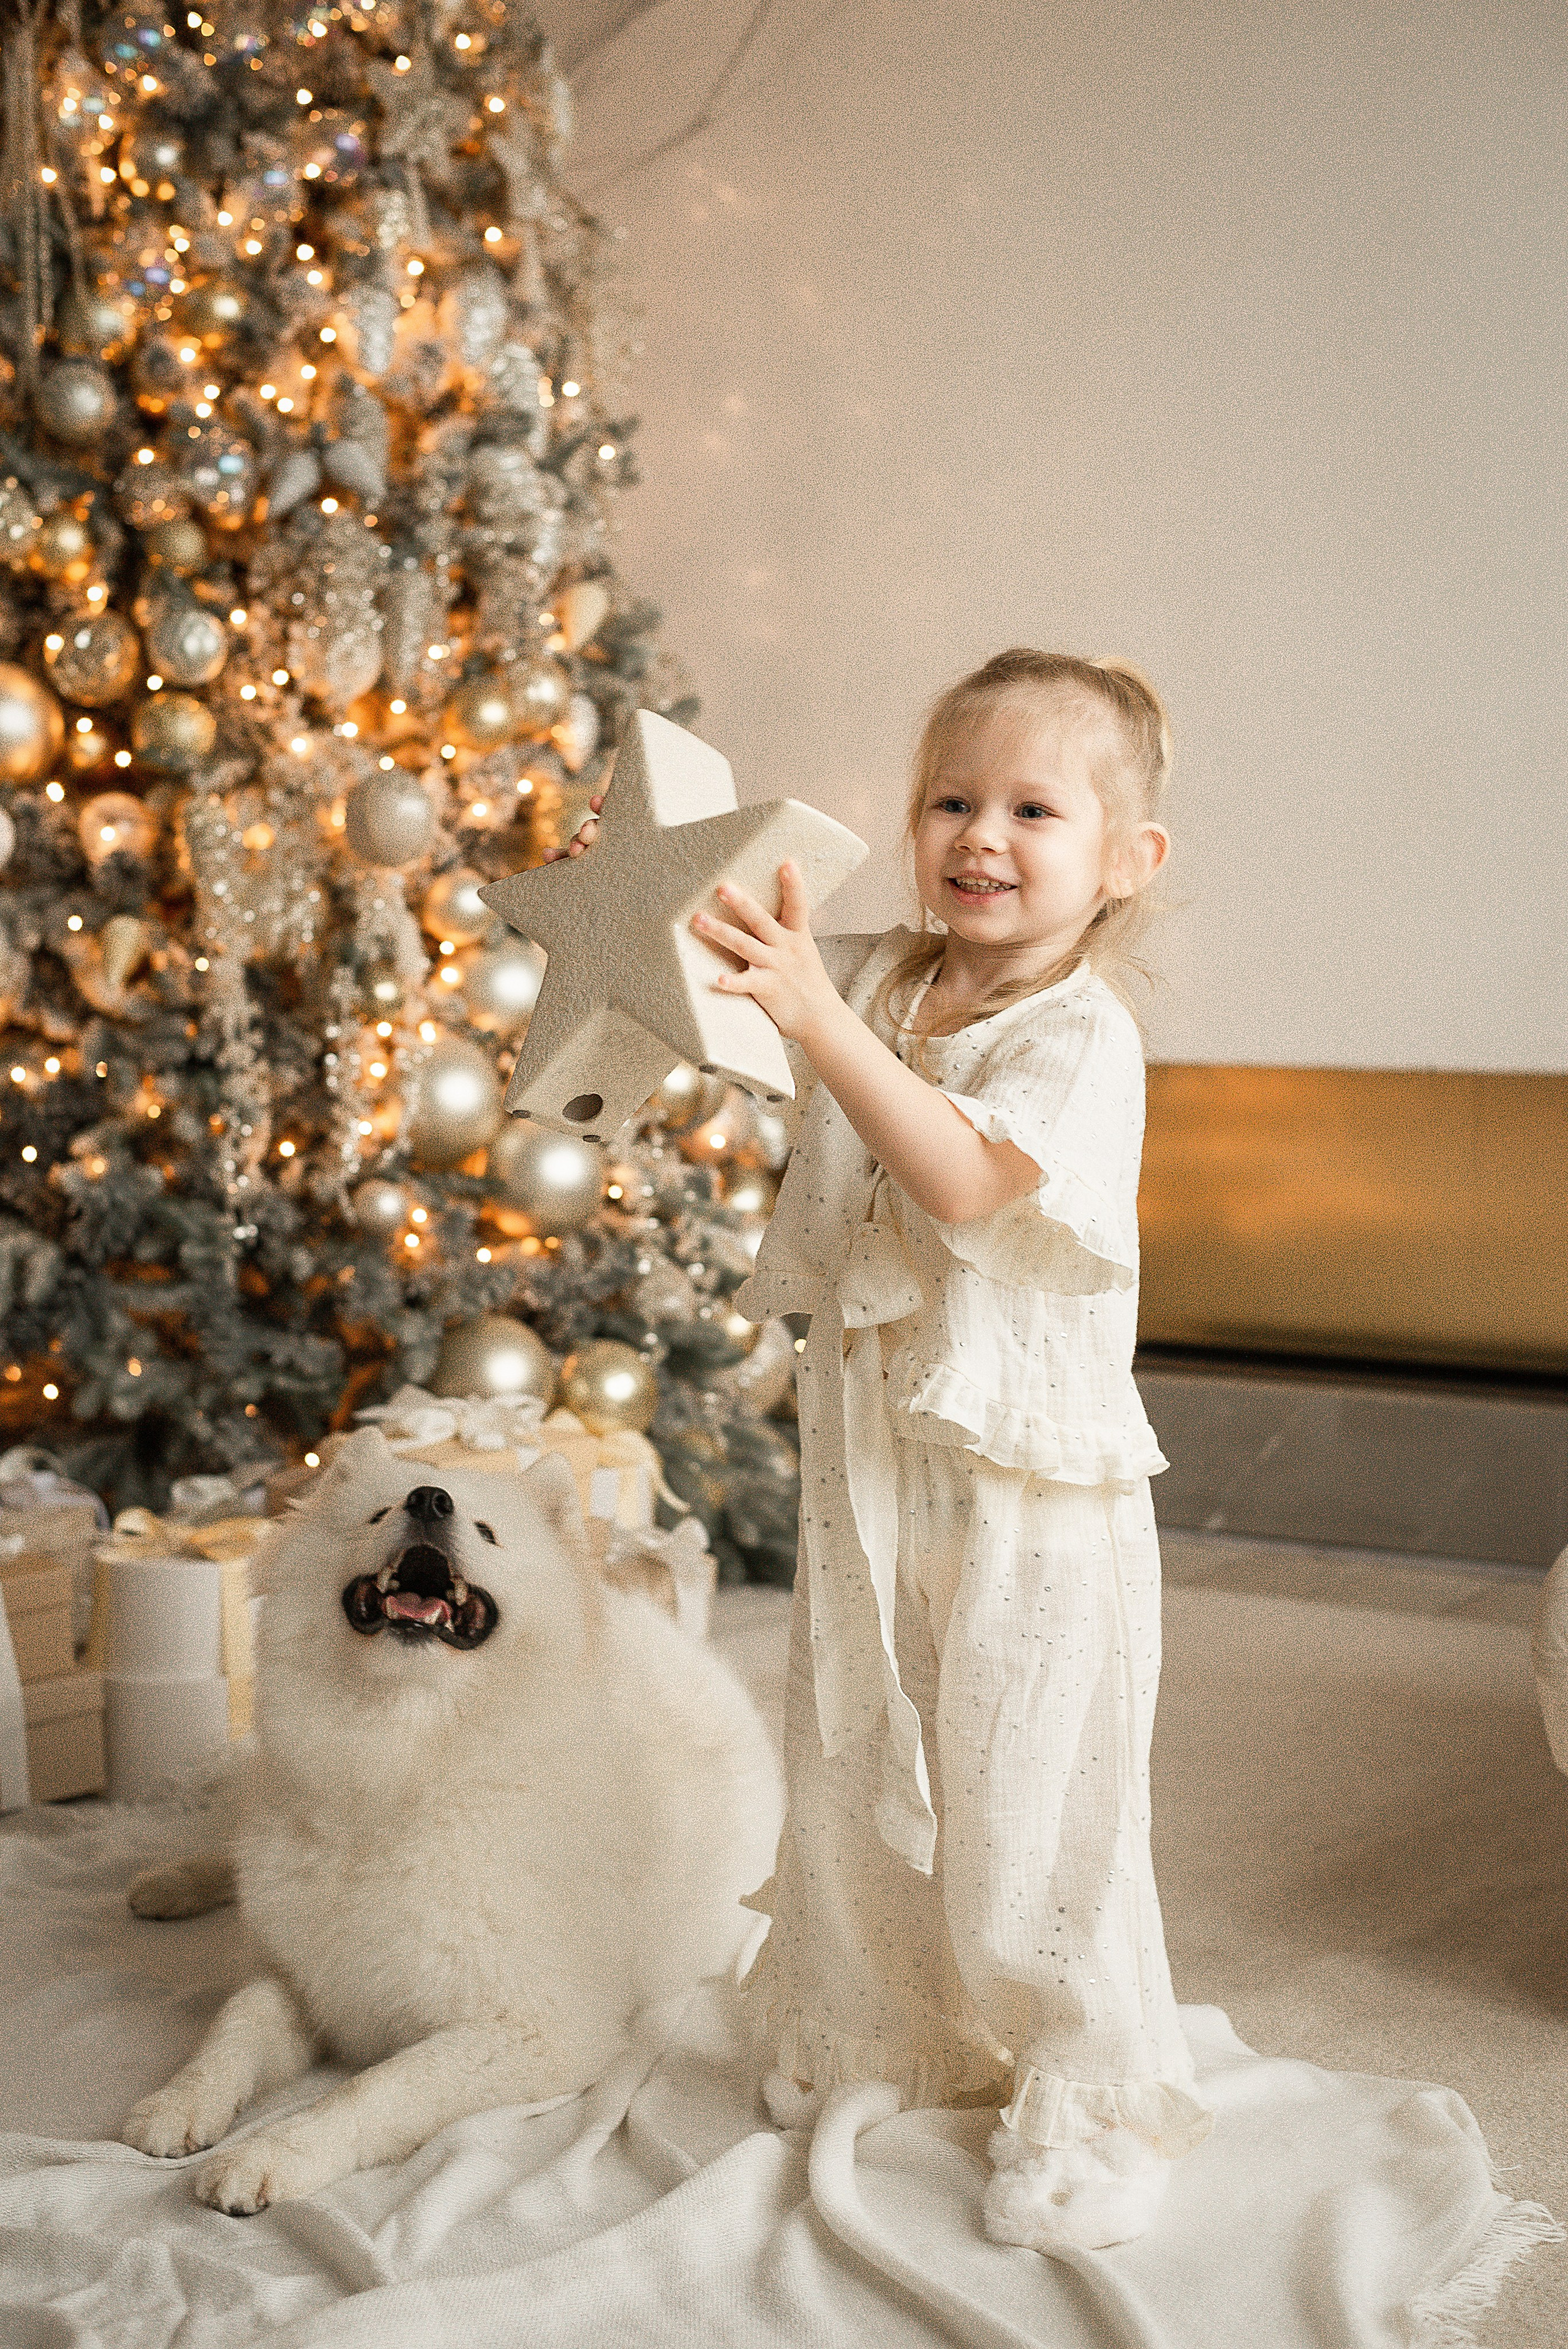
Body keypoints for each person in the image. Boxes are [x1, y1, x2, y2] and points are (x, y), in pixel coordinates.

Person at [557, 649, 1211, 2250]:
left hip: (1028, 1494)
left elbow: (968, 1182)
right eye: (950, 799)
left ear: (1127, 860)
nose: (980, 835)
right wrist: (654, 978)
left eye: (1033, 808)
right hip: (878, 1475)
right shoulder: (902, 986)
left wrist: (820, 1019)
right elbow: (770, 1049)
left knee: (1027, 1794)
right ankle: (886, 2020)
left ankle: (1086, 2086)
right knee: (856, 1764)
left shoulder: (1080, 1031)